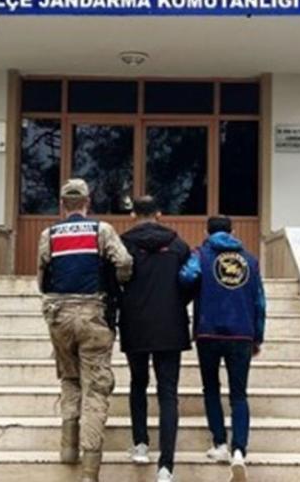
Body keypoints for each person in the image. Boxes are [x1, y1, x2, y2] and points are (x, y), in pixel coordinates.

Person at [38, 179, 133, 482]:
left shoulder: (49, 234)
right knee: (95, 389)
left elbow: (42, 278)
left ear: (62, 204)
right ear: (87, 202)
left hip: (58, 316)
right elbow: (124, 261)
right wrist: (119, 281)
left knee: (69, 378)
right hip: (93, 315)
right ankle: (90, 470)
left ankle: (68, 448)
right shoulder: (101, 230)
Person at [178, 216, 266, 482]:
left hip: (209, 332)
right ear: (233, 232)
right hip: (242, 333)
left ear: (207, 232)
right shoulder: (250, 261)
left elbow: (186, 278)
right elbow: (260, 302)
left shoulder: (201, 255)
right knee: (239, 394)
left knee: (211, 389)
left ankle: (219, 444)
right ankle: (239, 451)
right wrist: (257, 337)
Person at [118, 196, 192, 482]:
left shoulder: (123, 244)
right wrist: (178, 303)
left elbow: (114, 281)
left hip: (135, 324)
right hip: (171, 326)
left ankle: (140, 445)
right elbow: (191, 280)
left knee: (138, 383)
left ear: (133, 214)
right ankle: (166, 467)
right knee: (168, 393)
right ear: (159, 213)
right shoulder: (178, 245)